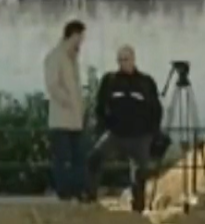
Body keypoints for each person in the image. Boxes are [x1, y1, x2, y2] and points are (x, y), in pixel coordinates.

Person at [85, 45, 162, 213]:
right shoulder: (110, 80)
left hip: (139, 136)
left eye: (126, 59)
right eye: (120, 60)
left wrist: (152, 132)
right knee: (94, 158)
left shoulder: (146, 82)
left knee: (140, 173)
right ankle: (90, 198)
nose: (123, 63)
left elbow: (156, 109)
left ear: (133, 59)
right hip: (116, 134)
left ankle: (138, 209)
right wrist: (104, 124)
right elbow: (100, 105)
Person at [43, 20, 87, 201]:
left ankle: (77, 191)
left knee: (78, 157)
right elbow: (53, 85)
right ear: (72, 36)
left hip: (76, 119)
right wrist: (68, 101)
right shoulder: (55, 57)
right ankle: (64, 193)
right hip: (61, 118)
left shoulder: (73, 59)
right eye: (79, 38)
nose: (81, 43)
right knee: (63, 158)